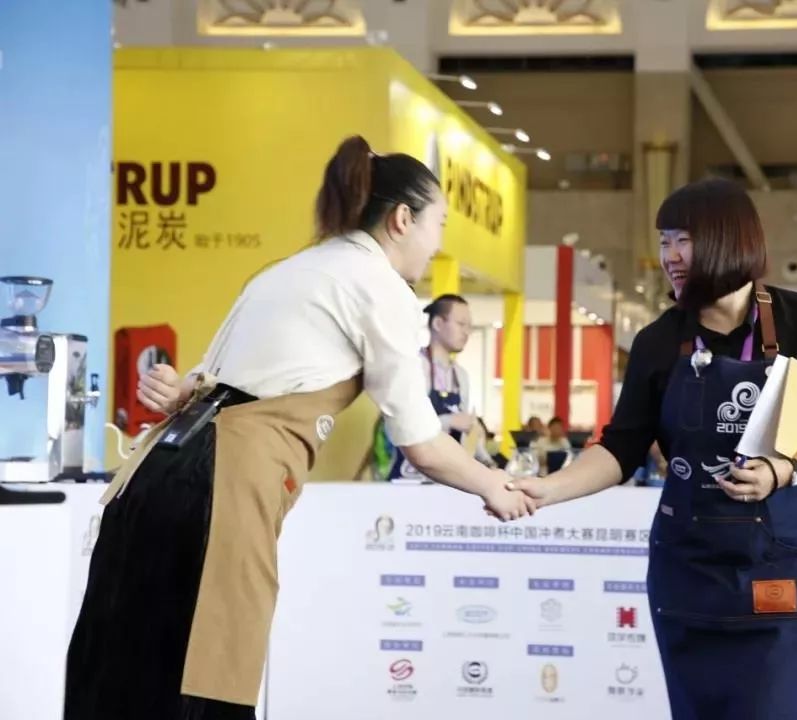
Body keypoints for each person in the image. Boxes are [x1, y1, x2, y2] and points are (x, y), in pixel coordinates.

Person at [64, 135, 532, 720]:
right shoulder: (382, 287)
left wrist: (180, 392)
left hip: (151, 476)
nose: (438, 243)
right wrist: (493, 485)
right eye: (438, 224)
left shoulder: (290, 269)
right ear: (402, 219)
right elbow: (421, 443)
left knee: (121, 674)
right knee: (206, 682)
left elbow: (214, 383)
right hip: (221, 489)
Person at [507, 178, 797, 719]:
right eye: (664, 242)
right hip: (691, 569)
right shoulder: (659, 340)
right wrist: (549, 489)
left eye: (684, 240)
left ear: (731, 240)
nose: (670, 256)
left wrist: (786, 469)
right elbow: (622, 447)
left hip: (786, 563)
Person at [385, 293, 493, 480]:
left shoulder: (460, 375)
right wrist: (449, 421)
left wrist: (485, 460)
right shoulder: (415, 367)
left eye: (469, 326)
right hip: (409, 475)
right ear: (437, 324)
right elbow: (402, 423)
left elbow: (465, 431)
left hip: (446, 476)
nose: (466, 332)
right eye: (461, 324)